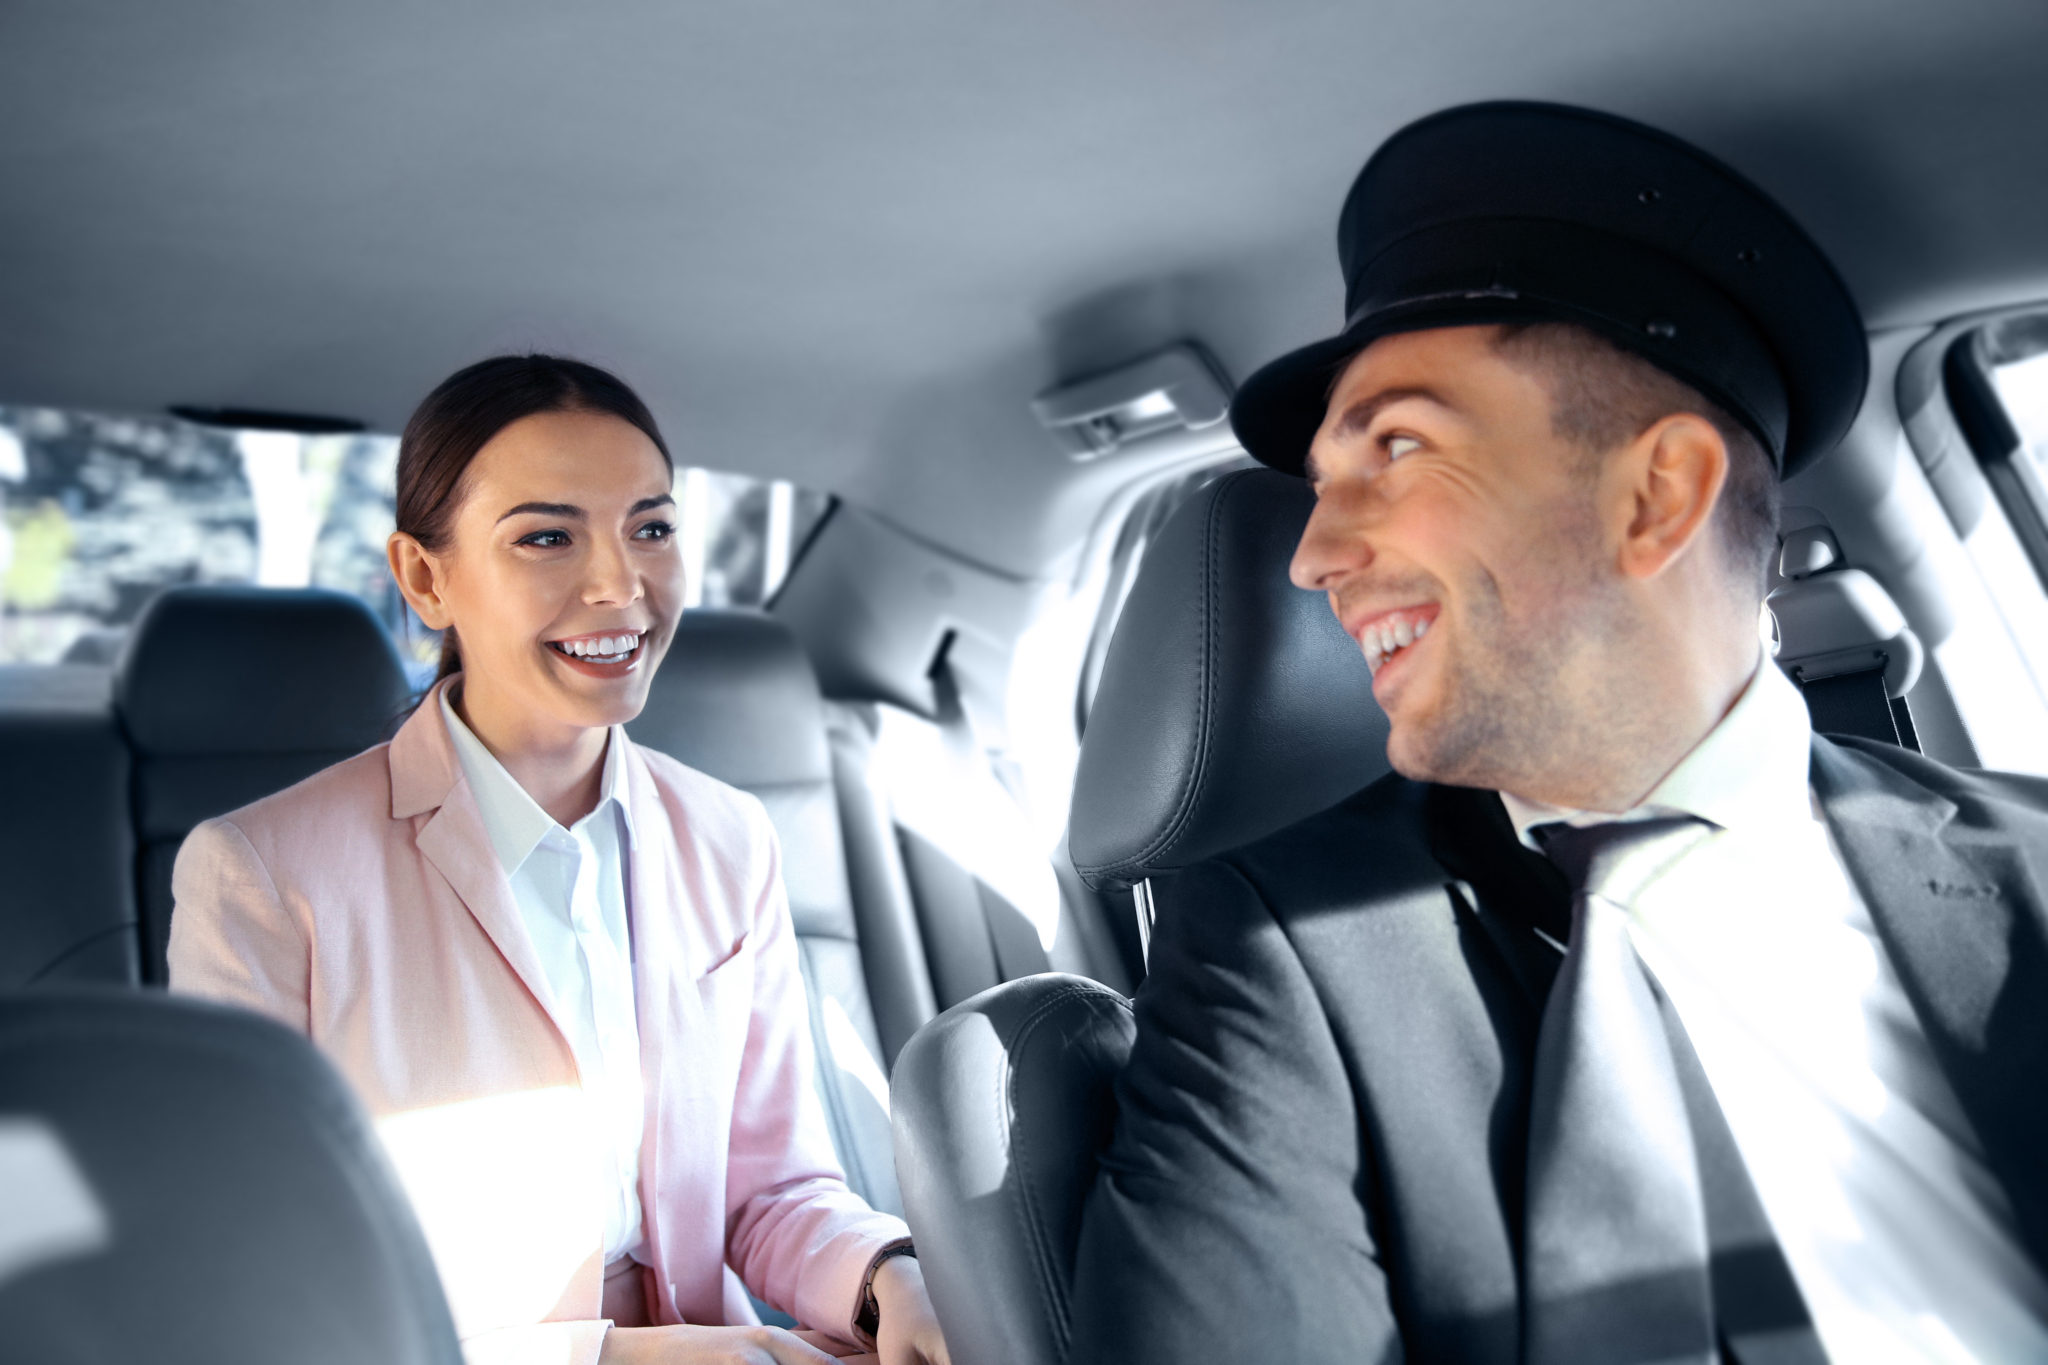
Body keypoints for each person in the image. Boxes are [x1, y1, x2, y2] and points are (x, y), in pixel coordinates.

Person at [1066, 102, 2048, 1364]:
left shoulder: (2029, 868)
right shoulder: (1279, 951)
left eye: (1398, 447)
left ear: (1655, 496)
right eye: (1319, 486)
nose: (1313, 556)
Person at [170, 355, 950, 1365]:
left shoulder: (727, 836)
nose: (617, 583)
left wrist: (890, 1284)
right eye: (545, 536)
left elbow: (770, 1190)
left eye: (652, 528)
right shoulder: (259, 877)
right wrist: (611, 1359)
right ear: (424, 578)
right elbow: (264, 1285)